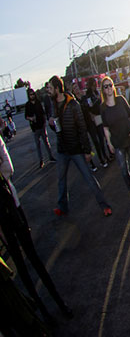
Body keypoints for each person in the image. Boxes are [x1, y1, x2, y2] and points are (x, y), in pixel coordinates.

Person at [0, 138, 72, 322]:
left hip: (12, 206)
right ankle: (42, 313)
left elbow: (8, 168)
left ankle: (59, 303)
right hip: (4, 216)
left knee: (33, 257)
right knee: (21, 267)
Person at [46, 76, 112, 217]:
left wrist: (87, 151)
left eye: (50, 88)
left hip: (75, 149)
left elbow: (82, 128)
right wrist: (51, 124)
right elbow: (57, 128)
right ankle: (62, 207)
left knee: (89, 178)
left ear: (57, 88)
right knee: (61, 180)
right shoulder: (53, 104)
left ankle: (105, 206)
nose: (48, 91)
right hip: (62, 150)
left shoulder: (73, 104)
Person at [100, 77, 130, 204]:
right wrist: (109, 143)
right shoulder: (103, 107)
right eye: (105, 86)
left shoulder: (121, 100)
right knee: (123, 170)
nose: (109, 88)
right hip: (117, 142)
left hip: (129, 138)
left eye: (110, 85)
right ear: (103, 90)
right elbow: (105, 127)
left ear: (113, 86)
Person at [24, 88, 55, 168]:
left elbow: (43, 113)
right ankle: (41, 161)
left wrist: (44, 122)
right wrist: (31, 118)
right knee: (38, 145)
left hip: (42, 125)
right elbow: (26, 116)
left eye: (33, 94)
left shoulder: (38, 102)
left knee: (46, 142)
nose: (32, 96)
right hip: (35, 128)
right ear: (28, 96)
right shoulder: (27, 105)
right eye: (30, 95)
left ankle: (51, 157)